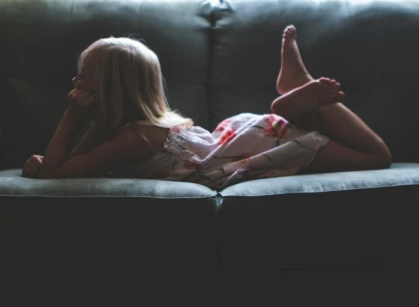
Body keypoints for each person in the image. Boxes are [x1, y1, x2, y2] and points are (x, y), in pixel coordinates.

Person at [22, 26, 391, 188]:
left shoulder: (134, 139)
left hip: (258, 145)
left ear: (111, 90)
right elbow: (71, 168)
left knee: (376, 155)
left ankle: (296, 86)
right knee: (331, 137)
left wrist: (72, 116)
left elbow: (59, 177)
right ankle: (296, 88)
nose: (75, 84)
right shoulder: (136, 131)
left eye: (83, 77)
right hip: (250, 134)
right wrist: (51, 163)